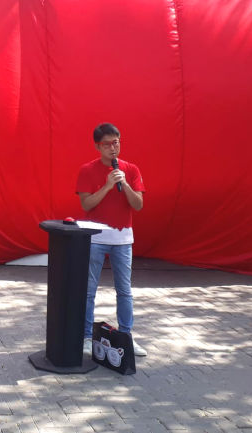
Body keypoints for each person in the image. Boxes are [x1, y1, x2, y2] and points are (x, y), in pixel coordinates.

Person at [76, 122, 147, 357]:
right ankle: (86, 336)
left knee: (124, 291)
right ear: (98, 146)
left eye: (116, 142)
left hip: (123, 239)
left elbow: (138, 205)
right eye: (107, 144)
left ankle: (126, 336)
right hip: (95, 239)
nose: (112, 148)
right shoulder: (87, 170)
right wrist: (107, 186)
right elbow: (87, 205)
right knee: (89, 290)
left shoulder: (131, 170)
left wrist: (123, 183)